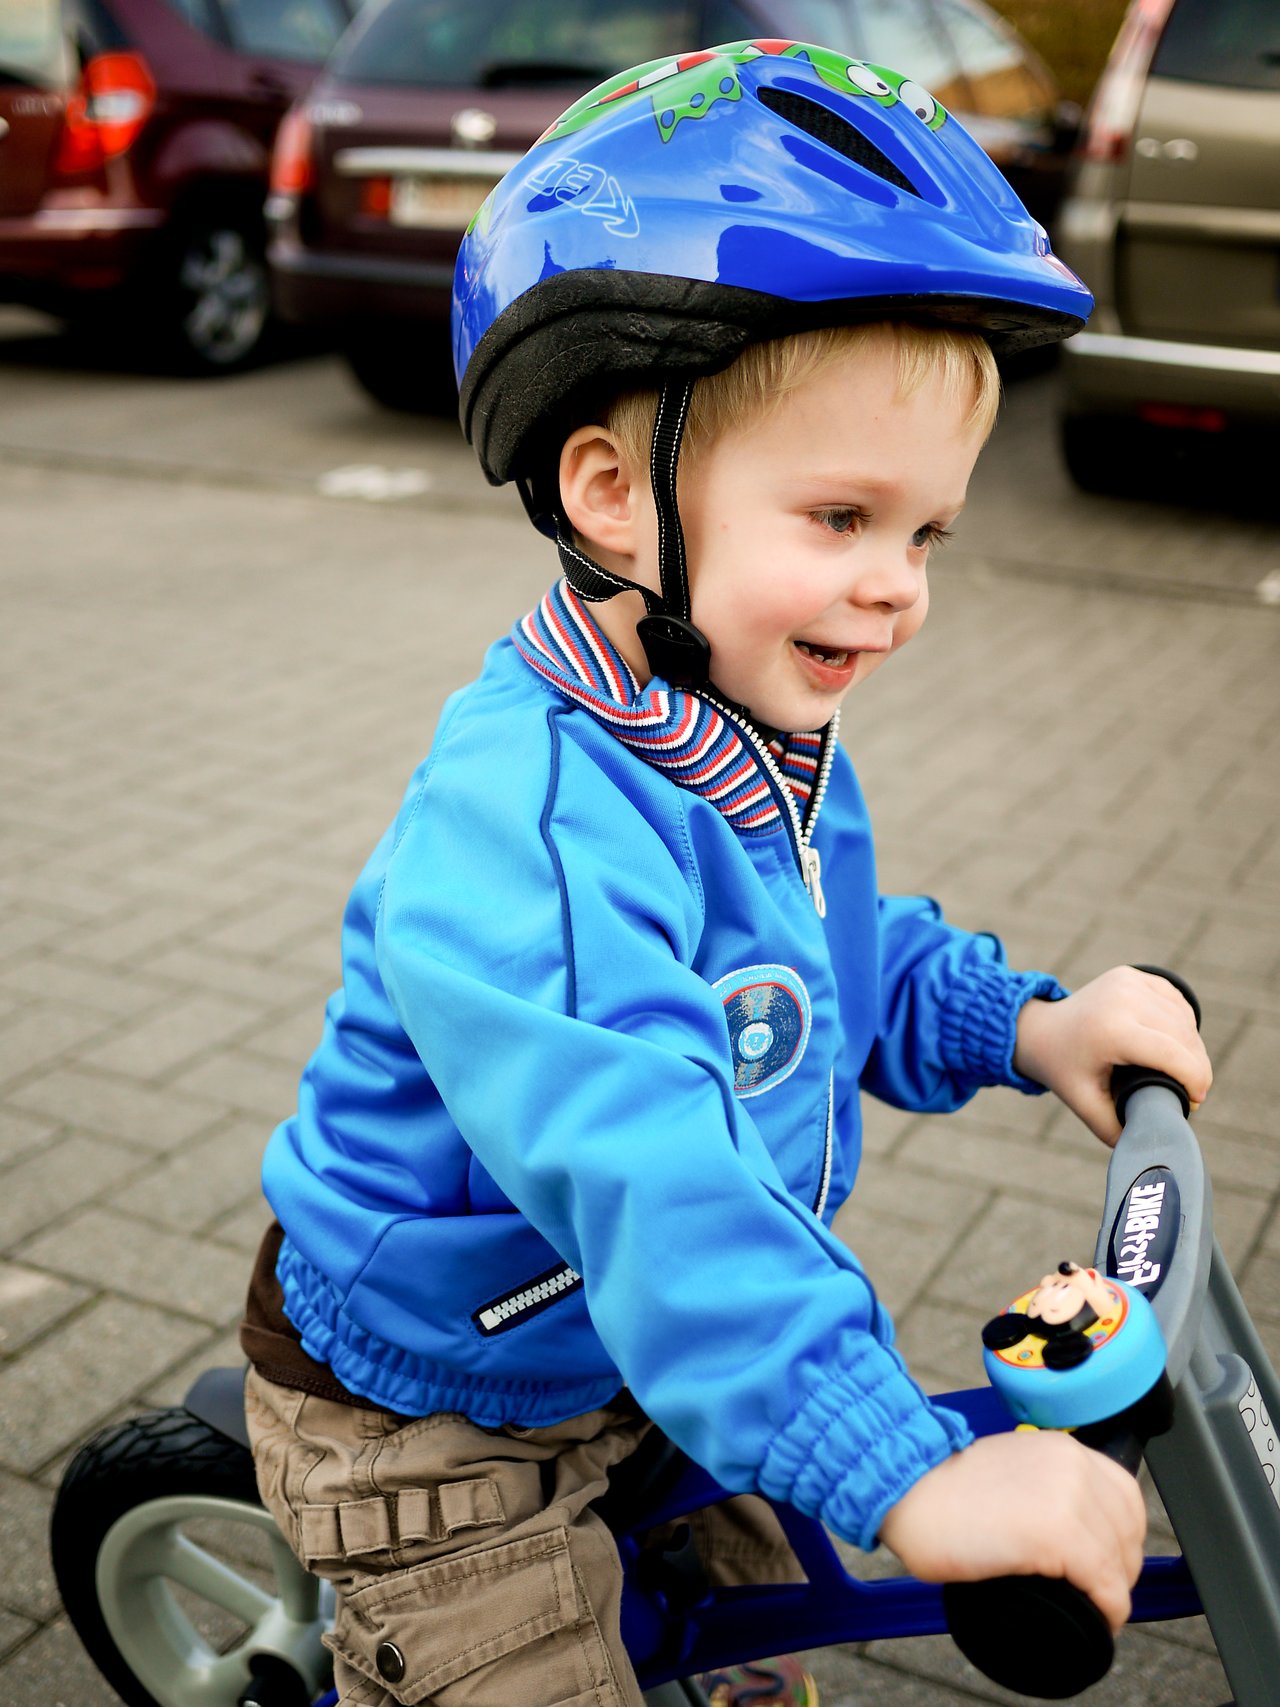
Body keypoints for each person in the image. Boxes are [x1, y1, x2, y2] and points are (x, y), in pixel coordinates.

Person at [240, 40, 1212, 1707]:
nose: (898, 590)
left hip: (638, 1344)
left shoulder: (749, 718)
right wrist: (912, 1471)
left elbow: (833, 955)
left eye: (926, 535)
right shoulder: (530, 829)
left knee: (762, 1635)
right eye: (842, 517)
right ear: (614, 495)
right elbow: (653, 1171)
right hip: (437, 1415)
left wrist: (1026, 1024)